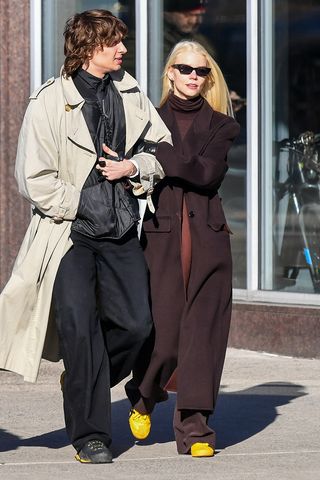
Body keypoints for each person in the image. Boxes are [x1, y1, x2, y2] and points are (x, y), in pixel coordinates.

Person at [0, 9, 171, 464]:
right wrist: (81, 203)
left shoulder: (130, 93)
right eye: (114, 41)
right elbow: (32, 178)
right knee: (79, 331)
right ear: (88, 47)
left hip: (120, 231)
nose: (123, 49)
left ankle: (80, 378)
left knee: (137, 326)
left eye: (122, 41)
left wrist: (133, 167)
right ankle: (90, 435)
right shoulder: (49, 101)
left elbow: (160, 150)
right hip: (68, 236)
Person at [125, 40, 240, 457]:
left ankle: (196, 431)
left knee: (203, 337)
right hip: (161, 237)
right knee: (165, 335)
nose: (194, 76)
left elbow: (205, 174)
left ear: (208, 78)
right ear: (169, 72)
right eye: (185, 68)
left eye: (201, 71)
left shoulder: (223, 126)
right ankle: (143, 393)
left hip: (210, 241)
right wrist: (149, 159)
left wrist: (160, 156)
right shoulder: (147, 120)